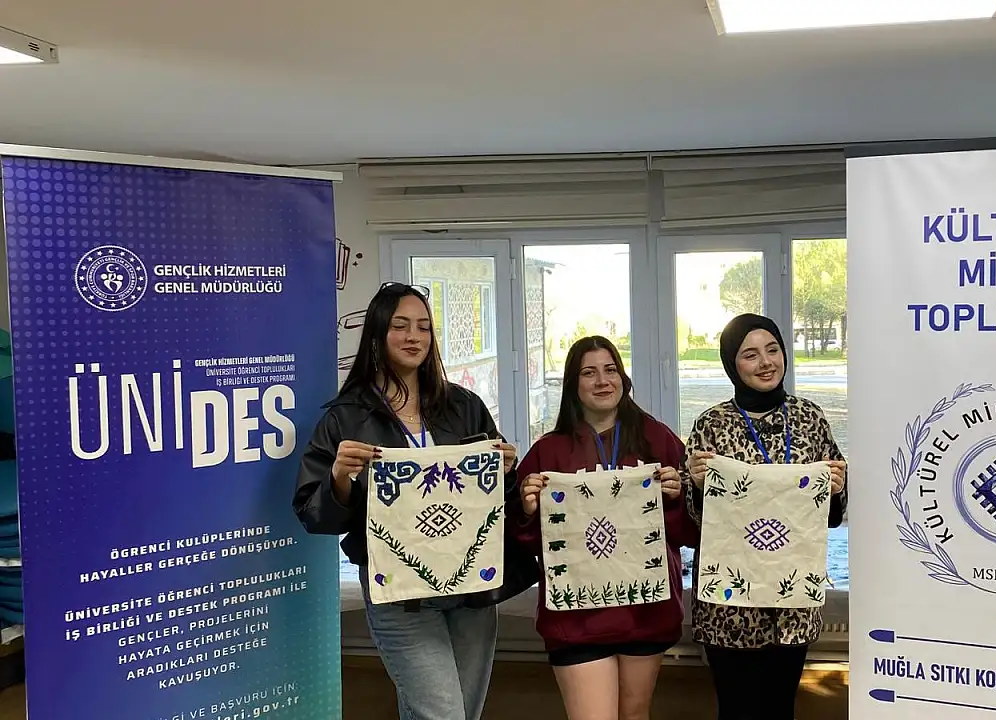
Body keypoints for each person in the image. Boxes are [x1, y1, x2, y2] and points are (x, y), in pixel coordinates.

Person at [292, 282, 539, 720]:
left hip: (471, 589)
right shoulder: (346, 417)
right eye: (401, 326)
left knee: (461, 712)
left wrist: (504, 470)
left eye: (424, 327)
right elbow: (315, 515)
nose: (414, 337)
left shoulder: (463, 405)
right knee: (443, 714)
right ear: (377, 334)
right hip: (399, 592)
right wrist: (339, 476)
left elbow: (497, 500)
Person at [512, 336, 697, 720]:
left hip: (646, 612)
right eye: (589, 373)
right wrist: (528, 510)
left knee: (635, 715)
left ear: (623, 378)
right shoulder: (549, 451)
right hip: (576, 619)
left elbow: (691, 532)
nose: (602, 381)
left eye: (610, 370)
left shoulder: (657, 438)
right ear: (572, 384)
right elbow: (521, 539)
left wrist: (677, 497)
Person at [682, 313, 848, 720]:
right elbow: (694, 520)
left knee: (779, 707)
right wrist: (699, 485)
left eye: (773, 350)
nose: (766, 362)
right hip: (730, 604)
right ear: (731, 364)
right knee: (737, 708)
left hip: (792, 599)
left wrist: (836, 488)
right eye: (750, 354)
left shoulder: (810, 419)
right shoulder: (712, 425)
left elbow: (828, 516)